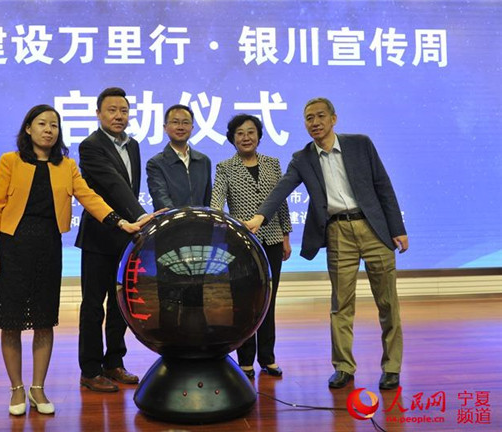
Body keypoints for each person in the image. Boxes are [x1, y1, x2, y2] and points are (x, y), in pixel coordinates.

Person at [0, 104, 150, 415]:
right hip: (12, 246)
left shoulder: (67, 166)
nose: (48, 130)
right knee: (11, 322)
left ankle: (38, 389)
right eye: (42, 124)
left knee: (44, 320)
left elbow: (90, 198)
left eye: (54, 125)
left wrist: (120, 222)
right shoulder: (10, 161)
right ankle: (17, 389)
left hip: (48, 246)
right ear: (28, 129)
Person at [245, 97, 408, 390]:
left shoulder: (360, 144)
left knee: (387, 302)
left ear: (334, 118)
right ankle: (343, 367)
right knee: (340, 304)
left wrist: (398, 229)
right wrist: (260, 216)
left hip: (373, 229)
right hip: (337, 232)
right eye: (309, 118)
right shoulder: (302, 158)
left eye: (320, 116)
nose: (315, 122)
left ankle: (392, 367)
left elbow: (383, 186)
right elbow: (282, 188)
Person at [74, 87, 149, 392]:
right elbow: (114, 185)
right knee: (94, 306)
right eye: (112, 110)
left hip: (126, 237)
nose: (119, 116)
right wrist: (141, 215)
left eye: (124, 111)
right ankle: (90, 370)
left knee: (120, 303)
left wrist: (136, 223)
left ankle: (114, 362)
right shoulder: (90, 146)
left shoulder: (134, 146)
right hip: (98, 236)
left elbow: (130, 187)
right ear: (98, 114)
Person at [210, 114, 292, 379]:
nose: (246, 137)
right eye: (240, 133)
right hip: (242, 244)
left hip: (273, 240)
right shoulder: (225, 167)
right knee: (244, 302)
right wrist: (223, 226)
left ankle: (268, 358)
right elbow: (216, 202)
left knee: (269, 300)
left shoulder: (273, 163)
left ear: (258, 136)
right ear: (232, 139)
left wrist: (286, 235)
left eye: (251, 132)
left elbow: (281, 201)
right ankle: (245, 360)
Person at [146, 104, 212, 210]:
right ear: (165, 128)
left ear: (192, 128)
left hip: (200, 219)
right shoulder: (156, 163)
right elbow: (161, 199)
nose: (181, 127)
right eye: (175, 122)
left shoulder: (203, 161)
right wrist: (180, 217)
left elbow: (207, 201)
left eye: (185, 122)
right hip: (170, 220)